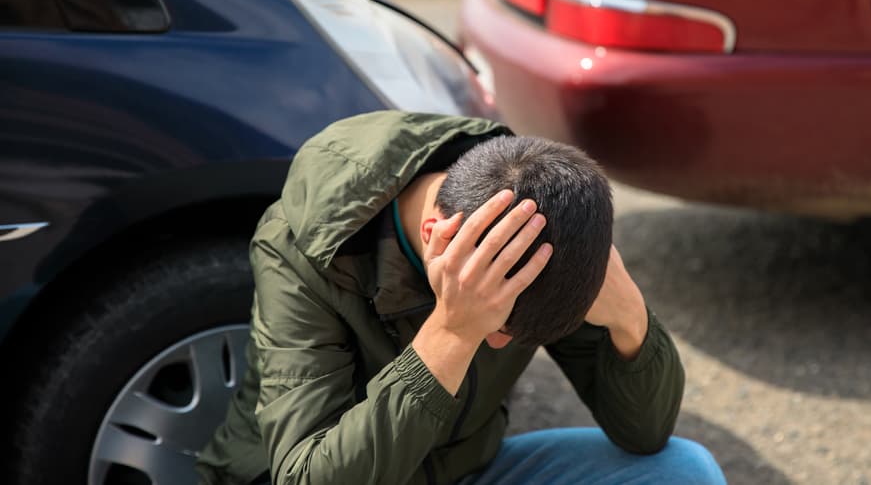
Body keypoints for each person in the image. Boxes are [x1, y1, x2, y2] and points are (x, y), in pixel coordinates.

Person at [196, 111, 726, 485]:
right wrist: (452, 333)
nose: (498, 343)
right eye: (498, 323)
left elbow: (644, 435)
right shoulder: (303, 245)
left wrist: (630, 320)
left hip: (464, 470)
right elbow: (307, 476)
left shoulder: (545, 220)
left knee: (683, 472)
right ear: (436, 234)